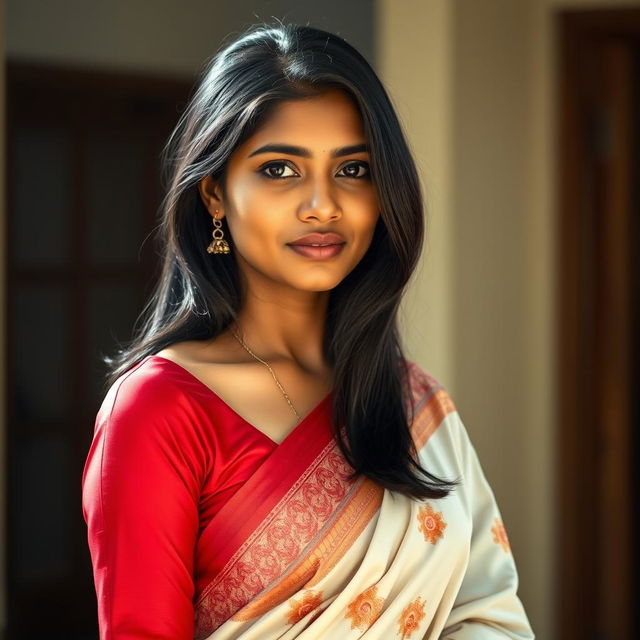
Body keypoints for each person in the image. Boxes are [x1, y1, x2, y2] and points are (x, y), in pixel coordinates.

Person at [81, 20, 535, 640]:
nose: (323, 205)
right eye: (279, 170)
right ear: (215, 193)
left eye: (352, 170)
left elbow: (485, 609)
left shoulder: (412, 401)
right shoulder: (158, 410)